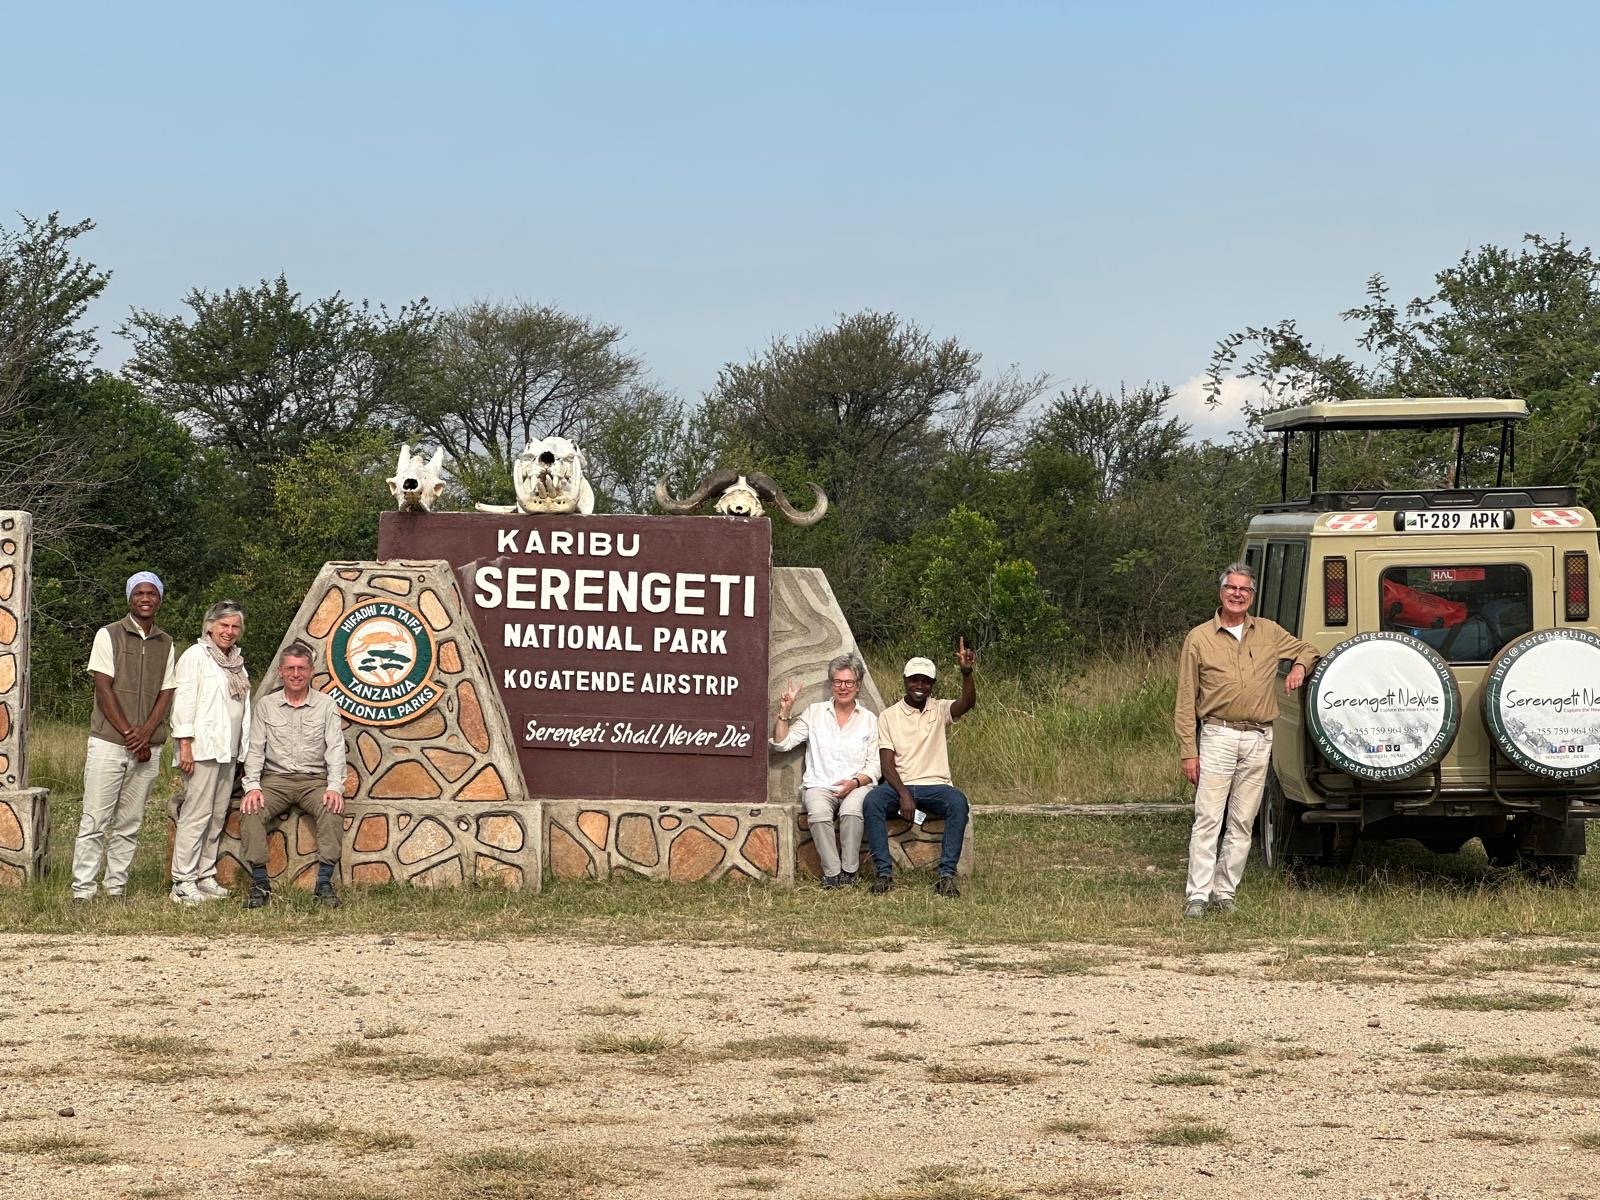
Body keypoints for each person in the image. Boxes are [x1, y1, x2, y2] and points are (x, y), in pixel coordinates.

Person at [1174, 561, 1319, 918]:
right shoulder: (1199, 638)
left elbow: (1308, 650)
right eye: (1232, 588)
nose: (1238, 594)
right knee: (1208, 817)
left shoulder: (1268, 632)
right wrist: (1187, 751)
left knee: (1242, 820)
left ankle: (1225, 892)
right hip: (1218, 734)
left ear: (1252, 596)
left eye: (1245, 589)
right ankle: (1197, 895)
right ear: (1221, 592)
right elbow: (1184, 699)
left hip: (1258, 737)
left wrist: (1299, 668)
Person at [71, 572, 177, 902]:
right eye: (139, 593)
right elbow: (104, 689)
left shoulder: (166, 642)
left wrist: (146, 735)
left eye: (152, 594)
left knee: (129, 822)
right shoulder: (109, 635)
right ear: (129, 598)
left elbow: (166, 691)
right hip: (108, 742)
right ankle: (83, 891)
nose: (145, 599)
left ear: (160, 599)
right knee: (95, 819)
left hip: (148, 746)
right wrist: (132, 735)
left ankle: (116, 886)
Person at [862, 640, 977, 897]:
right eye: (915, 680)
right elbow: (886, 764)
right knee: (872, 802)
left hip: (936, 786)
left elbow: (967, 703)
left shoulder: (940, 709)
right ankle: (883, 874)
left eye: (925, 681)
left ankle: (946, 875)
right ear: (905, 680)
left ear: (932, 685)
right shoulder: (889, 716)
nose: (920, 686)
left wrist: (966, 673)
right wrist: (903, 794)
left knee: (958, 802)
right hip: (900, 786)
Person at [239, 642, 346, 909]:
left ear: (311, 671)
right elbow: (255, 749)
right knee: (251, 811)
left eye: (301, 668)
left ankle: (324, 883)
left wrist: (335, 787)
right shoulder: (266, 706)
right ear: (281, 671)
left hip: (314, 780)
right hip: (276, 780)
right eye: (290, 668)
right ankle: (260, 884)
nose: (296, 674)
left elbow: (335, 748)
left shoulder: (326, 705)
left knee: (332, 809)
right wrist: (252, 786)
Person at [770, 654, 879, 888]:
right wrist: (785, 711)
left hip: (856, 786)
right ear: (832, 684)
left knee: (852, 813)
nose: (843, 687)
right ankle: (832, 873)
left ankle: (849, 872)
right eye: (838, 682)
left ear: (858, 685)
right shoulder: (815, 713)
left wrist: (854, 783)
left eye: (849, 682)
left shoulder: (869, 720)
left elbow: (874, 765)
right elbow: (782, 743)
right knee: (818, 814)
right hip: (819, 784)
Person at [168, 601, 251, 905]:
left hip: (227, 750)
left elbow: (243, 709)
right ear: (210, 626)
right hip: (201, 749)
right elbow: (184, 702)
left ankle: (204, 875)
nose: (229, 632)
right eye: (224, 625)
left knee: (216, 816)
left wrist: (243, 750)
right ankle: (182, 881)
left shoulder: (237, 662)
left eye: (234, 626)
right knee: (196, 815)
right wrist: (185, 745)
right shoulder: (195, 656)